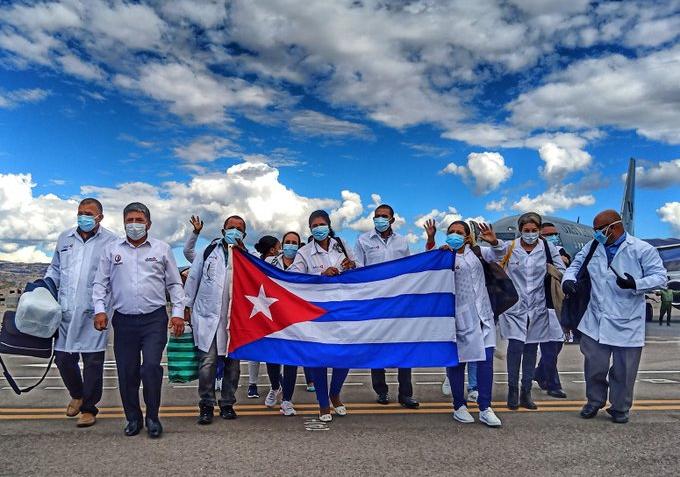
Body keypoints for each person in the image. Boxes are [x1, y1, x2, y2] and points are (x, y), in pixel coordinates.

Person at [563, 210, 666, 423]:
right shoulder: (594, 247)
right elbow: (575, 265)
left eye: (599, 230)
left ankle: (620, 408)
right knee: (594, 367)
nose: (597, 234)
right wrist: (568, 279)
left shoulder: (641, 249)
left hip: (626, 320)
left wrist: (636, 284)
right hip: (595, 319)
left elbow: (660, 277)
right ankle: (594, 401)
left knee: (624, 371)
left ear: (614, 227)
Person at [92, 202, 185, 438]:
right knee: (127, 372)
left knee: (151, 367)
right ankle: (133, 418)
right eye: (129, 220)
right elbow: (100, 283)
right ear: (124, 223)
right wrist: (100, 309)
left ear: (149, 224)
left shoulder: (162, 249)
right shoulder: (112, 250)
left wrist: (177, 314)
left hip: (153, 320)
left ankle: (153, 417)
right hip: (123, 321)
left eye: (139, 220)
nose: (134, 225)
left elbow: (174, 284)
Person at [44, 198, 117, 427]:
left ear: (100, 217)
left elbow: (114, 277)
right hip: (65, 308)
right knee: (64, 358)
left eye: (88, 213)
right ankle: (77, 394)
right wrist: (44, 288)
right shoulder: (65, 238)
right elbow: (55, 268)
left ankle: (89, 408)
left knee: (93, 361)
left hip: (95, 310)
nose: (83, 217)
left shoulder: (111, 241)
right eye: (80, 212)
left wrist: (105, 307)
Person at [429, 220, 503, 427]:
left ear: (467, 236)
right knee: (458, 362)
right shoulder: (445, 255)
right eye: (451, 232)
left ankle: (485, 408)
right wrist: (436, 248)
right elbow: (428, 271)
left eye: (459, 232)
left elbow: (499, 254)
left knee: (486, 362)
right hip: (459, 317)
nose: (454, 235)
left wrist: (494, 241)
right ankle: (459, 406)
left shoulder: (478, 252)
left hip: (484, 315)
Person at [289, 210, 357, 422]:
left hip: (341, 308)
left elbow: (359, 269)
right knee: (319, 357)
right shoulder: (304, 252)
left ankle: (335, 393)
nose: (319, 228)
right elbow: (294, 276)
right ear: (310, 230)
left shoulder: (342, 245)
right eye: (314, 226)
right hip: (316, 310)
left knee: (344, 355)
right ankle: (323, 403)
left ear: (329, 225)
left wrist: (351, 266)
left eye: (322, 224)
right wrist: (320, 275)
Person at [495, 212, 566, 410]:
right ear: (520, 231)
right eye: (526, 231)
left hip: (538, 306)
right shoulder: (511, 248)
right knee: (515, 348)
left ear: (539, 230)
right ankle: (512, 391)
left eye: (534, 230)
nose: (530, 234)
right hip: (515, 307)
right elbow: (495, 257)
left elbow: (560, 269)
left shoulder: (547, 247)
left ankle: (526, 392)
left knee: (531, 350)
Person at [183, 215, 248, 424]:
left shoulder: (249, 257)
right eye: (231, 227)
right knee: (207, 363)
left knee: (233, 365)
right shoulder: (209, 251)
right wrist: (185, 308)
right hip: (207, 316)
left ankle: (227, 403)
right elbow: (193, 278)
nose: (234, 231)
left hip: (234, 320)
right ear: (223, 231)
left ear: (244, 235)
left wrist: (244, 255)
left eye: (239, 229)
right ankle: (206, 404)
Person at [354, 204, 419, 409]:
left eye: (384, 216)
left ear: (392, 219)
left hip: (399, 302)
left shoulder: (402, 241)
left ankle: (405, 394)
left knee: (403, 346)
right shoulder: (363, 240)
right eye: (377, 216)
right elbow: (358, 270)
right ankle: (381, 391)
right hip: (375, 302)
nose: (379, 220)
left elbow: (409, 269)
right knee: (377, 346)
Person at [533, 222, 570, 399]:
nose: (552, 237)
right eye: (548, 234)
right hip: (538, 305)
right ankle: (553, 384)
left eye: (554, 234)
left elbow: (566, 262)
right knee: (548, 348)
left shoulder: (558, 250)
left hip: (555, 305)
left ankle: (539, 373)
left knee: (556, 345)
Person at [254, 235, 290, 409]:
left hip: (281, 312)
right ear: (273, 249)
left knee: (274, 355)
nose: (283, 248)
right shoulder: (265, 261)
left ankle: (280, 388)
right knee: (274, 355)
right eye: (280, 246)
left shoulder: (283, 260)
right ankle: (276, 387)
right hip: (268, 312)